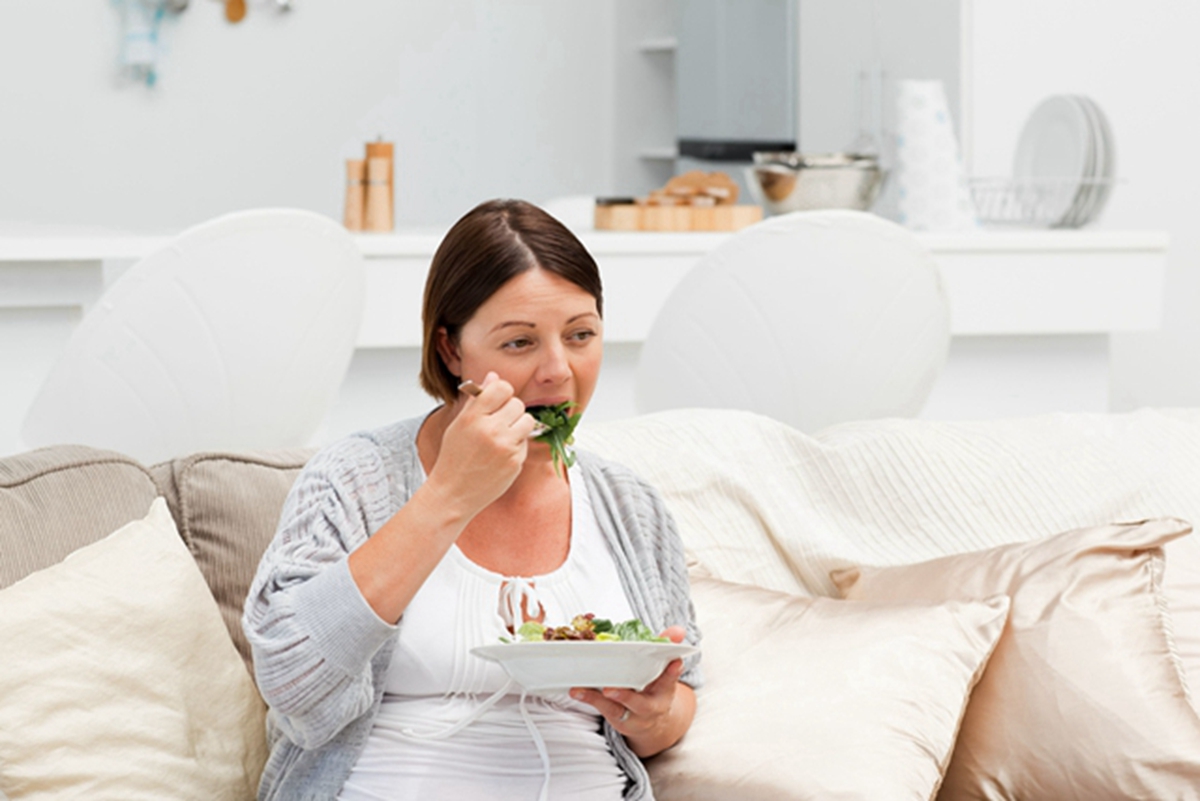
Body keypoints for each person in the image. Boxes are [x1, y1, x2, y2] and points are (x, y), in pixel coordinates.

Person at [243, 198, 702, 801]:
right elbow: (293, 683)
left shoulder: (628, 504)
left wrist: (656, 718)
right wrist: (450, 495)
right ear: (451, 350)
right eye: (519, 343)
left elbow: (680, 690)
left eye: (581, 335)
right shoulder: (353, 478)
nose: (558, 371)